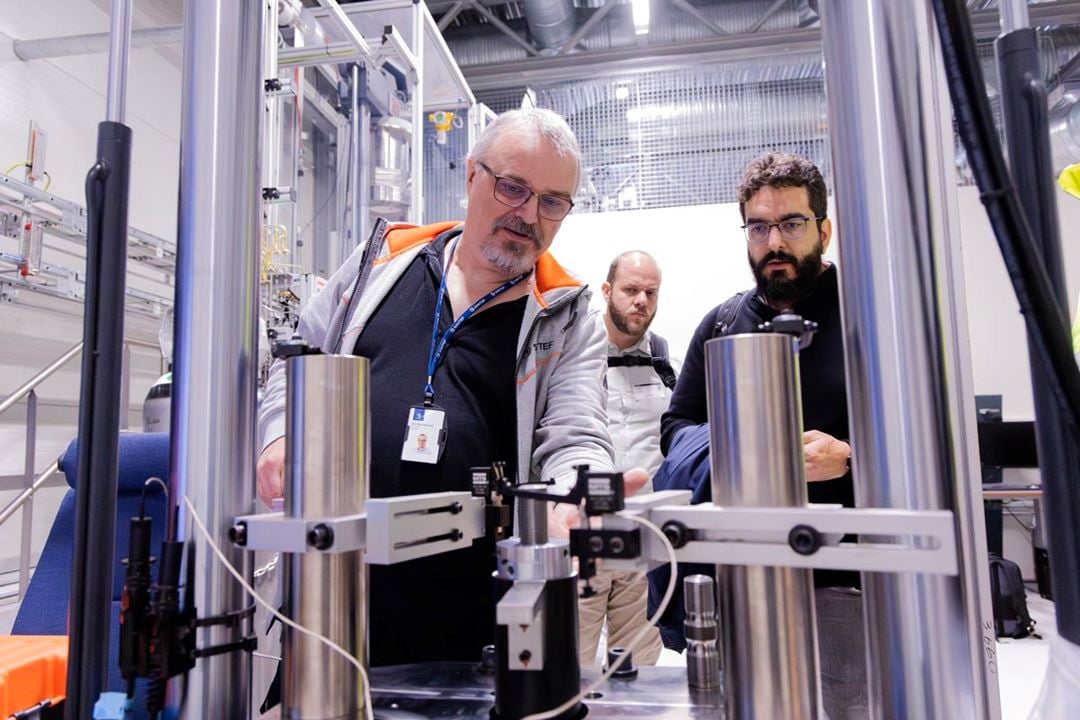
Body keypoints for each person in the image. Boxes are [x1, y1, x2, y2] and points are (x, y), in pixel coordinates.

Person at [256, 108, 646, 666]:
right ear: (470, 176)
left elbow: (576, 431)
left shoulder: (566, 314)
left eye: (552, 201)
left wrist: (573, 495)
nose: (529, 214)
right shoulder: (381, 262)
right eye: (513, 188)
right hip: (334, 605)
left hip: (482, 628)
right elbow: (295, 363)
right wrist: (277, 434)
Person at [658, 152, 866, 719]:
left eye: (792, 224)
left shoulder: (866, 319)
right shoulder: (722, 324)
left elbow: (925, 438)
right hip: (739, 579)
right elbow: (676, 428)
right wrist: (746, 452)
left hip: (843, 581)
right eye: (758, 226)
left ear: (823, 229)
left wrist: (851, 458)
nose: (774, 241)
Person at [576, 251, 674, 666]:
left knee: (640, 665)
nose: (641, 301)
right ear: (607, 291)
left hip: (643, 543)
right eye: (631, 290)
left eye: (650, 293)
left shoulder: (665, 360)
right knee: (572, 666)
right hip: (582, 539)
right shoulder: (573, 355)